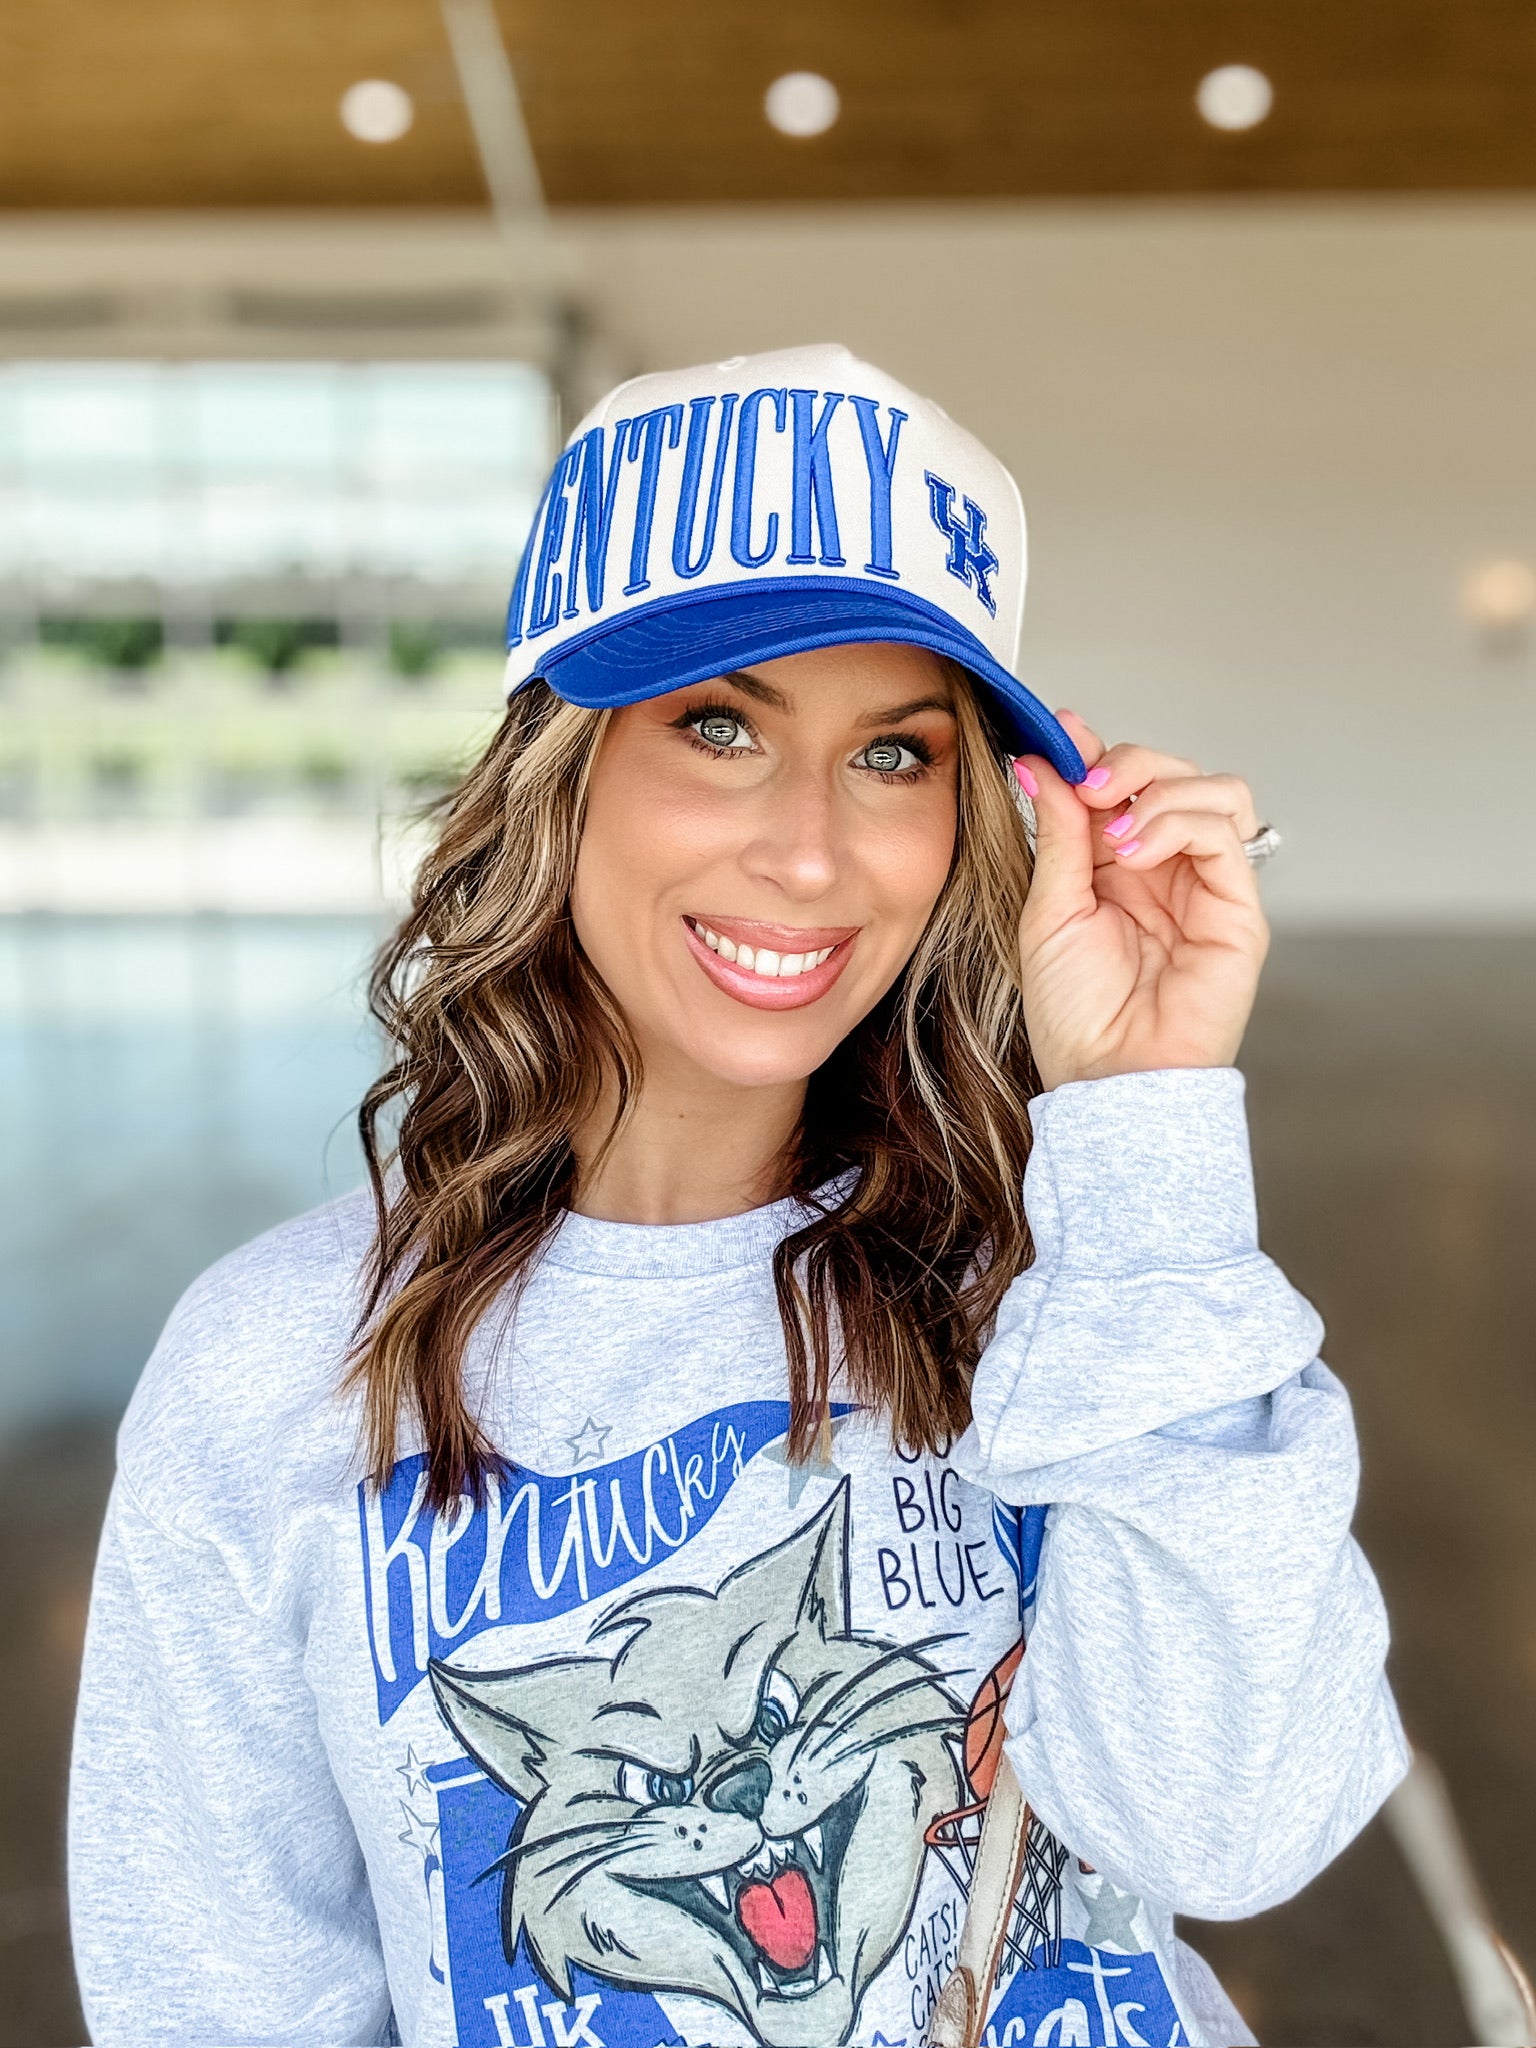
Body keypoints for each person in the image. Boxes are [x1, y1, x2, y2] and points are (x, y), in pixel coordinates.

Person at [68, 343, 1407, 2048]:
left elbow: (1229, 1832)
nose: (810, 852)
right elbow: (218, 1999)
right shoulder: (273, 1365)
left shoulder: (1080, 1280)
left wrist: (1148, 1124)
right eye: (719, 728)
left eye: (896, 757)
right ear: (561, 771)